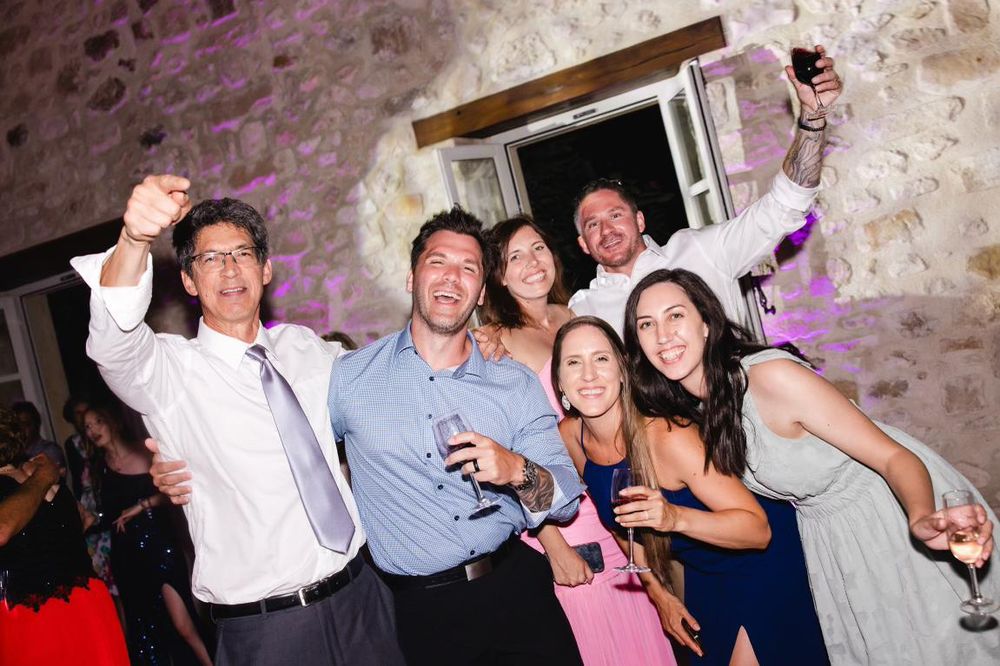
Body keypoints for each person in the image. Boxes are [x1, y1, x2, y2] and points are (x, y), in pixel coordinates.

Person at [71, 175, 405, 666]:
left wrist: (479, 339)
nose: (229, 268)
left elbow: (388, 378)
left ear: (266, 269)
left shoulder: (305, 348)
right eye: (210, 258)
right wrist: (135, 238)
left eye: (243, 253)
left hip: (362, 600)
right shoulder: (168, 373)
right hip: (267, 631)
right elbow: (113, 343)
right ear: (188, 280)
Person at [624, 268, 999, 665]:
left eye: (675, 316)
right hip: (828, 537)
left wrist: (920, 517)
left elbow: (893, 457)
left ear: (705, 323)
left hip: (884, 509)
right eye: (647, 324)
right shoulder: (700, 409)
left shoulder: (770, 377)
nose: (663, 335)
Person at [326, 206, 586, 665]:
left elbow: (564, 497)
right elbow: (289, 451)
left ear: (482, 290)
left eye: (469, 268)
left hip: (517, 594)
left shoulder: (513, 382)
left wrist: (517, 470)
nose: (452, 277)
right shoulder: (349, 380)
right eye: (438, 262)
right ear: (412, 277)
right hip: (421, 615)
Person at [552, 316, 828, 665]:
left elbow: (757, 530)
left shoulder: (668, 438)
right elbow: (620, 525)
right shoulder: (573, 437)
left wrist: (673, 517)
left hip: (758, 560)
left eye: (601, 358)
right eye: (574, 363)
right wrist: (659, 594)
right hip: (704, 574)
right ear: (559, 380)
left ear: (623, 371)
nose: (588, 374)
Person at [478, 216, 676, 665]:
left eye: (539, 248)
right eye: (515, 256)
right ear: (499, 275)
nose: (532, 262)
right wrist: (554, 543)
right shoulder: (496, 345)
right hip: (567, 522)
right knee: (602, 646)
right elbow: (509, 458)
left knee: (647, 638)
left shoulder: (577, 317)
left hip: (612, 500)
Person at [568, 46, 843, 336]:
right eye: (593, 224)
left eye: (615, 215)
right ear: (584, 243)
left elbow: (784, 207)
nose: (606, 230)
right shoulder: (585, 312)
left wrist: (812, 118)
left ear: (639, 220)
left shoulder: (699, 251)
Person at [0, 407, 129, 666]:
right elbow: (83, 520)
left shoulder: (32, 473)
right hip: (79, 605)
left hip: (42, 616)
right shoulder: (37, 472)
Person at [84, 403, 211, 666]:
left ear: (110, 420)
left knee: (182, 624)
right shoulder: (99, 468)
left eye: (97, 421)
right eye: (86, 427)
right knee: (146, 630)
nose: (93, 430)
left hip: (159, 544)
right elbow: (106, 514)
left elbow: (173, 493)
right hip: (127, 555)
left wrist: (141, 506)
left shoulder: (141, 451)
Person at [61, 395, 118, 601]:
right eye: (79, 414)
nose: (85, 418)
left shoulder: (107, 447)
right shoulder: (75, 444)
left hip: (109, 508)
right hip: (89, 506)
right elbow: (77, 480)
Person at [11, 400, 66, 470]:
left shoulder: (50, 451)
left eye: (26, 424)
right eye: (17, 426)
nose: (21, 430)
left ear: (36, 425)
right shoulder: (13, 454)